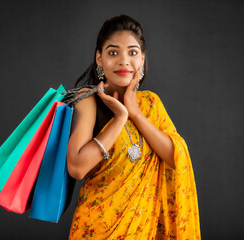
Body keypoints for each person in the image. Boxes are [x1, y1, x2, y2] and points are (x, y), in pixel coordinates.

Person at [66, 15, 201, 239]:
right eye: (112, 53)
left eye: (132, 52)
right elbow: (77, 167)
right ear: (99, 59)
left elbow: (175, 157)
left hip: (143, 231)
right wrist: (120, 117)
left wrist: (135, 113)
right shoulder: (88, 100)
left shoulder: (150, 104)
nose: (123, 61)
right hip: (97, 229)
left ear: (142, 59)